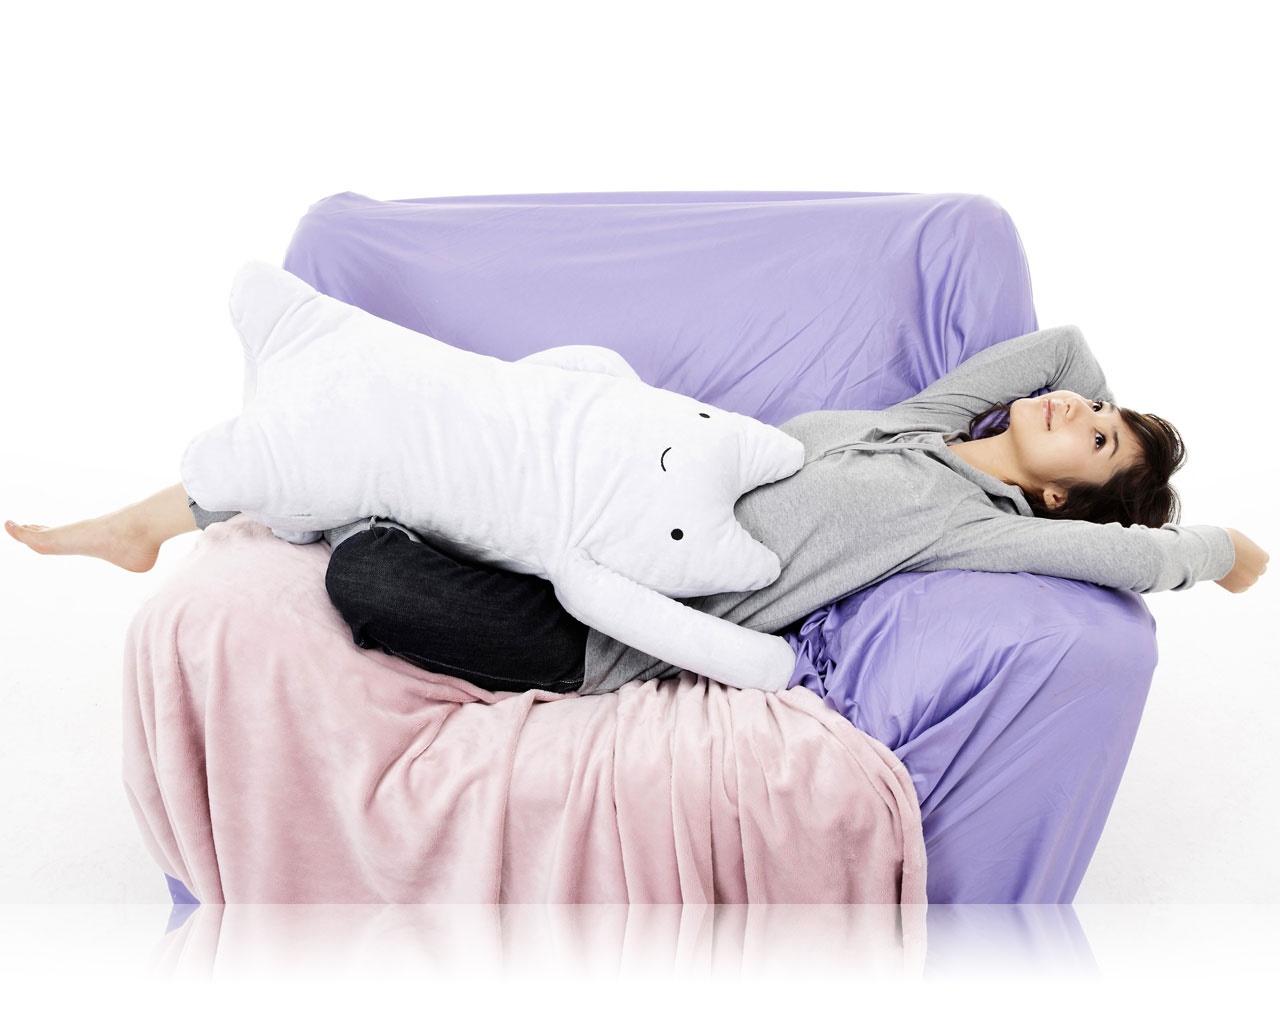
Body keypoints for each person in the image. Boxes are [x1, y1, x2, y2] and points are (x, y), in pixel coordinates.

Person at [6, 326, 1268, 696]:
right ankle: (178, 515)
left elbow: (1124, 555)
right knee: (467, 415)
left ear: (1056, 495)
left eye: (1091, 438)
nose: (1076, 406)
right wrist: (1112, 424)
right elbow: (1062, 344)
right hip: (570, 504)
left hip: (597, 624)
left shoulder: (970, 524)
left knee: (367, 577)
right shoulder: (918, 426)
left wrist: (1220, 552)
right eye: (1093, 411)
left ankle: (304, 517)